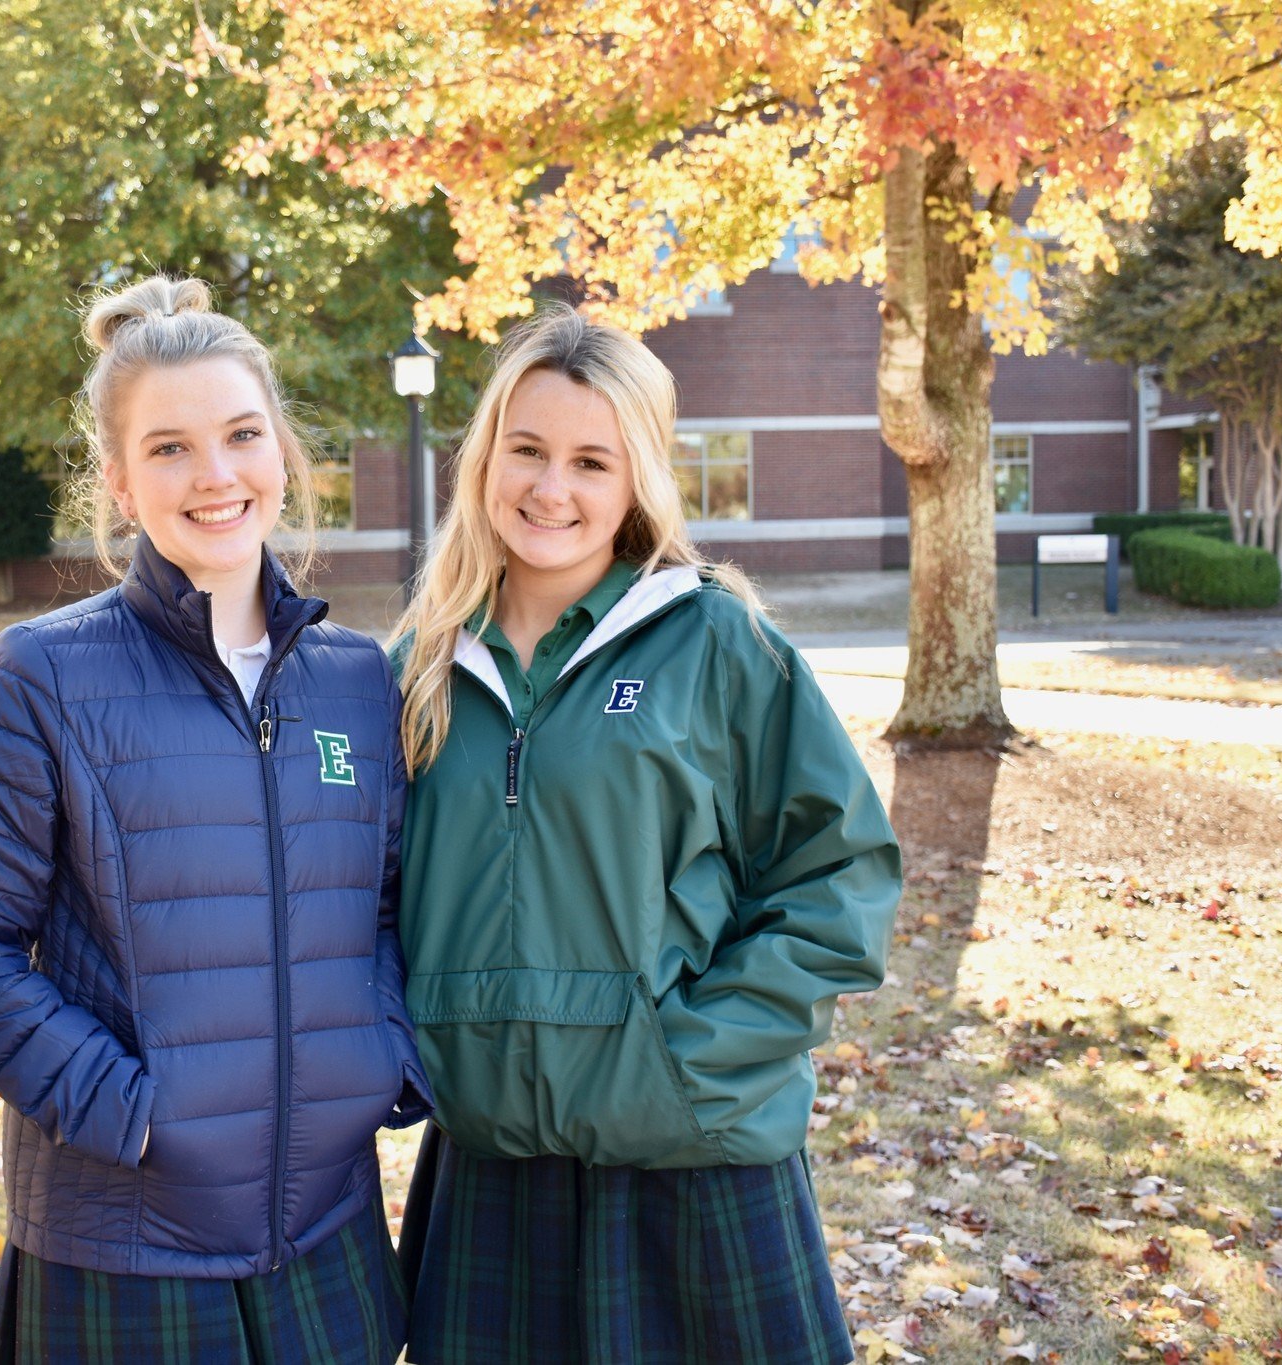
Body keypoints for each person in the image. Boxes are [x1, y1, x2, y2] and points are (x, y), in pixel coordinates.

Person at [0, 275, 431, 1365]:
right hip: (126, 1248)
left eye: (239, 435)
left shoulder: (357, 680)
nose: (215, 475)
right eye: (170, 448)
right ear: (122, 486)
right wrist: (129, 1113)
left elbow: (388, 908)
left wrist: (382, 1060)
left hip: (325, 1234)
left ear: (281, 451)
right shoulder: (42, 677)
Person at [390, 305, 899, 1365]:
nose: (550, 489)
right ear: (484, 454)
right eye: (525, 450)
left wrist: (688, 1061)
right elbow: (363, 894)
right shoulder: (416, 666)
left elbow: (835, 872)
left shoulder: (713, 641)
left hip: (689, 1158)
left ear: (637, 481)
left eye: (591, 461)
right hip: (490, 1168)